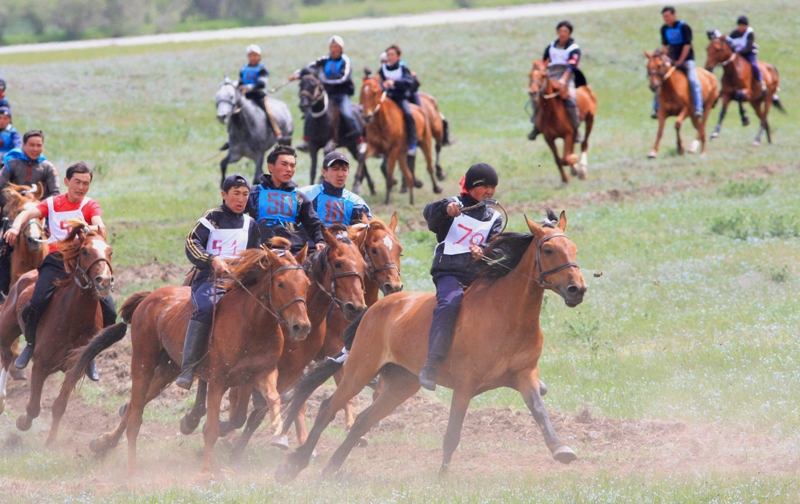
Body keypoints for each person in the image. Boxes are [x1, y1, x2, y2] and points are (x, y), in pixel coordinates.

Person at [4, 162, 115, 381]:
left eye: (86, 183)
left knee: (110, 311)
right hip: (56, 260)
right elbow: (26, 214)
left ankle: (89, 355)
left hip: (84, 264)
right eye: (77, 182)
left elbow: (100, 227)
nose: (81, 187)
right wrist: (16, 227)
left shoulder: (90, 205)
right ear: (66, 182)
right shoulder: (53, 203)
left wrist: (87, 227)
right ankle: (30, 346)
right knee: (36, 303)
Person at [419, 163, 503, 391]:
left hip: (478, 276)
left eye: (492, 187)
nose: (489, 191)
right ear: (472, 187)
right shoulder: (453, 205)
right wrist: (447, 210)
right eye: (484, 186)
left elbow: (496, 246)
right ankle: (431, 364)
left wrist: (483, 251)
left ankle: (515, 365)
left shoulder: (494, 217)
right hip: (449, 272)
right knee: (450, 303)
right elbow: (430, 213)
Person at [176, 174, 261, 390]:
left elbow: (255, 252)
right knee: (206, 307)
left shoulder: (250, 223)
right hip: (210, 278)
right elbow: (191, 242)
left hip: (239, 280)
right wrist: (211, 260)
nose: (240, 199)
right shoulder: (211, 218)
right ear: (224, 195)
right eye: (236, 194)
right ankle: (189, 368)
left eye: (245, 195)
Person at [0, 130, 61, 298]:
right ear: (23, 145)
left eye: (39, 145)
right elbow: (1, 189)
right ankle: (3, 290)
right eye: (32, 145)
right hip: (13, 215)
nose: (35, 149)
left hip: (40, 215)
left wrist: (39, 205)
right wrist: (14, 202)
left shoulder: (47, 167)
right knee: (3, 248)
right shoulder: (11, 165)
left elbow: (56, 193)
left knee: (61, 250)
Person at [289, 36, 365, 154]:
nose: (333, 49)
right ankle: (307, 141)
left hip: (341, 95)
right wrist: (297, 74)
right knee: (310, 112)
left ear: (341, 48)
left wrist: (323, 80)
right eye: (331, 47)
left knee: (348, 114)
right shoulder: (324, 59)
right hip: (327, 95)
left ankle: (359, 140)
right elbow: (310, 67)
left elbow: (343, 78)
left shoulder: (345, 60)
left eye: (336, 47)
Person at [246, 145, 326, 255]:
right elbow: (232, 215)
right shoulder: (252, 193)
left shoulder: (299, 198)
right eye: (284, 164)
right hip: (260, 252)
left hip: (292, 253)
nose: (289, 169)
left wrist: (320, 240)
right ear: (271, 167)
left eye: (292, 166)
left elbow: (314, 224)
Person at [529, 20, 582, 142]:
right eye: (560, 31)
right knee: (535, 95)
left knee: (571, 98)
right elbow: (544, 61)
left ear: (569, 33)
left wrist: (563, 79)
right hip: (551, 75)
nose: (562, 33)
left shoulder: (574, 48)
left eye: (565, 31)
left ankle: (576, 128)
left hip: (566, 76)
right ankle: (536, 125)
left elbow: (572, 65)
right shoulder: (551, 47)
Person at [299, 151, 372, 232]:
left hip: (343, 243)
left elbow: (370, 231)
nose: (340, 174)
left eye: (344, 170)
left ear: (348, 172)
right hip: (311, 243)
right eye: (335, 169)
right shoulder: (306, 195)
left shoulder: (357, 203)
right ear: (324, 172)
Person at [653, 6, 703, 119]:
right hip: (672, 61)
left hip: (686, 60)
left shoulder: (683, 27)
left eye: (668, 16)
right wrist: (663, 57)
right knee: (660, 78)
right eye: (664, 17)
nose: (666, 18)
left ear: (674, 15)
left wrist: (680, 60)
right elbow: (665, 46)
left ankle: (698, 107)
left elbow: (687, 45)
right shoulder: (664, 29)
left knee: (693, 80)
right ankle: (656, 108)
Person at [378, 45, 419, 156]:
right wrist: (383, 85)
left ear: (398, 56)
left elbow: (408, 82)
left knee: (408, 114)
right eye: (388, 55)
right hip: (387, 99)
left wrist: (394, 83)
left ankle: (412, 143)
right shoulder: (383, 69)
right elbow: (378, 82)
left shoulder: (403, 68)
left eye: (392, 55)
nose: (390, 57)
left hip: (400, 98)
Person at [239, 44, 283, 139]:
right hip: (245, 97)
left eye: (255, 56)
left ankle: (276, 131)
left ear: (259, 56)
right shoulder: (243, 68)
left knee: (268, 112)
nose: (253, 58)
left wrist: (249, 87)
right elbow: (240, 81)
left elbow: (261, 83)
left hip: (258, 96)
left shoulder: (262, 68)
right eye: (251, 56)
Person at [728, 16, 765, 93]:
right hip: (737, 55)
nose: (741, 27)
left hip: (748, 54)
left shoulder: (750, 33)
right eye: (740, 25)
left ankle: (761, 81)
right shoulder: (734, 33)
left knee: (754, 65)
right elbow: (729, 42)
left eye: (743, 26)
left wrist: (739, 52)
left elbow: (749, 46)